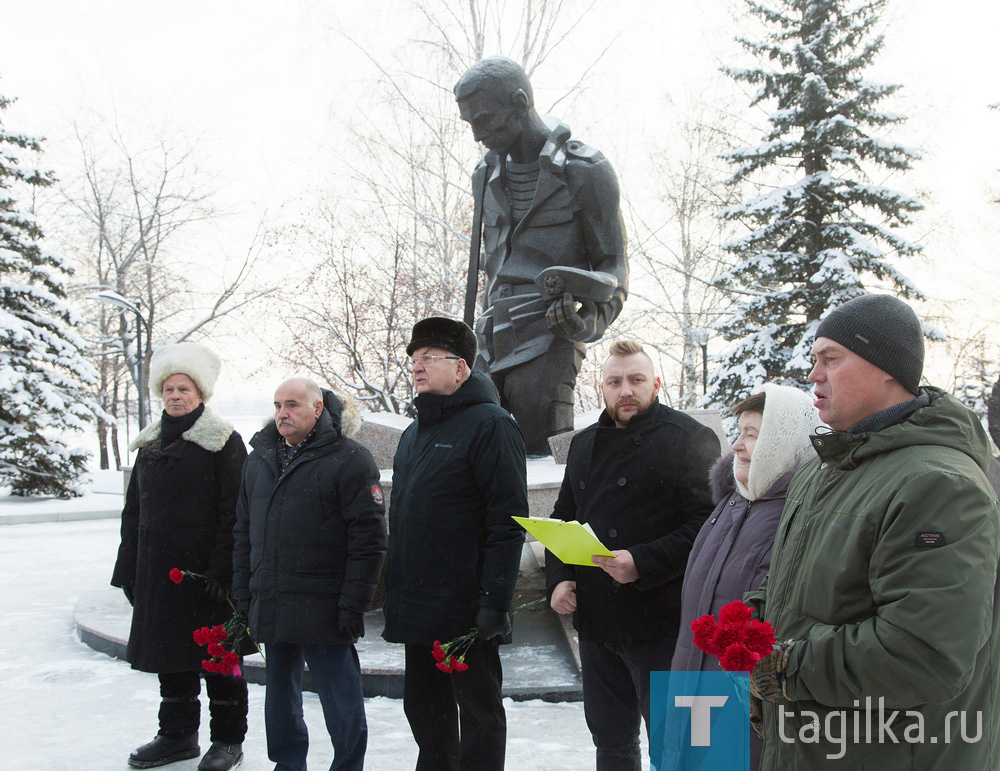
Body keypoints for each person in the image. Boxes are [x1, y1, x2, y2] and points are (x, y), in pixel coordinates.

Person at [747, 293, 1000, 768]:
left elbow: (924, 654)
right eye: (813, 359)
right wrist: (753, 617)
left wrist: (784, 667)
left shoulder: (937, 484)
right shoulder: (821, 471)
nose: (813, 374)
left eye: (831, 358)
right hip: (813, 747)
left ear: (888, 369)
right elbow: (805, 585)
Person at [546, 339, 721, 770]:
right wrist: (559, 577)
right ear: (601, 388)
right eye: (615, 381)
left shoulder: (690, 439)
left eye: (636, 380)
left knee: (680, 746)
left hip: (664, 624)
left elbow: (708, 526)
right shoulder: (584, 444)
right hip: (598, 624)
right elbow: (562, 515)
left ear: (656, 384)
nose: (626, 390)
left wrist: (641, 561)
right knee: (611, 743)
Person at [454, 56, 628, 456]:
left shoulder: (585, 170)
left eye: (486, 119)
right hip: (487, 337)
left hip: (548, 335)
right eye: (471, 124)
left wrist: (585, 323)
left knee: (540, 458)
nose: (478, 135)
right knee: (472, 454)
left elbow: (613, 269)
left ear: (519, 102)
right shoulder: (484, 175)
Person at [382, 316, 528, 771]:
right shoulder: (413, 433)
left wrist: (494, 602)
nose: (417, 367)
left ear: (461, 369)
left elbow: (507, 523)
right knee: (425, 711)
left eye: (428, 358)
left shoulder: (492, 425)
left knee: (479, 714)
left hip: (466, 608)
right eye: (414, 359)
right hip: (418, 603)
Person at [232, 378, 386, 771]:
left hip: (326, 606)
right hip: (273, 601)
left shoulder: (350, 458)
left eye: (293, 405)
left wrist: (354, 603)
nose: (282, 413)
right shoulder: (259, 459)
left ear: (317, 409)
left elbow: (369, 541)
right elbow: (243, 533)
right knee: (280, 700)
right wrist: (244, 596)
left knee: (342, 701)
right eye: (278, 404)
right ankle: (287, 765)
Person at [111, 342, 249, 771]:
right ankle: (177, 736)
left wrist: (222, 569)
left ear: (200, 394)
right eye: (169, 388)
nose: (175, 395)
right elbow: (134, 512)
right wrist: (128, 569)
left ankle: (228, 741)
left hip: (206, 577)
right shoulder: (148, 445)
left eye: (184, 388)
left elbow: (236, 513)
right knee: (170, 659)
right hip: (160, 574)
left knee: (219, 662)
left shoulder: (223, 442)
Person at [669, 383, 819, 769]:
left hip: (751, 707)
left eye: (752, 435)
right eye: (739, 433)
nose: (736, 445)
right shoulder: (732, 504)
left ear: (784, 442)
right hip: (696, 689)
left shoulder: (800, 516)